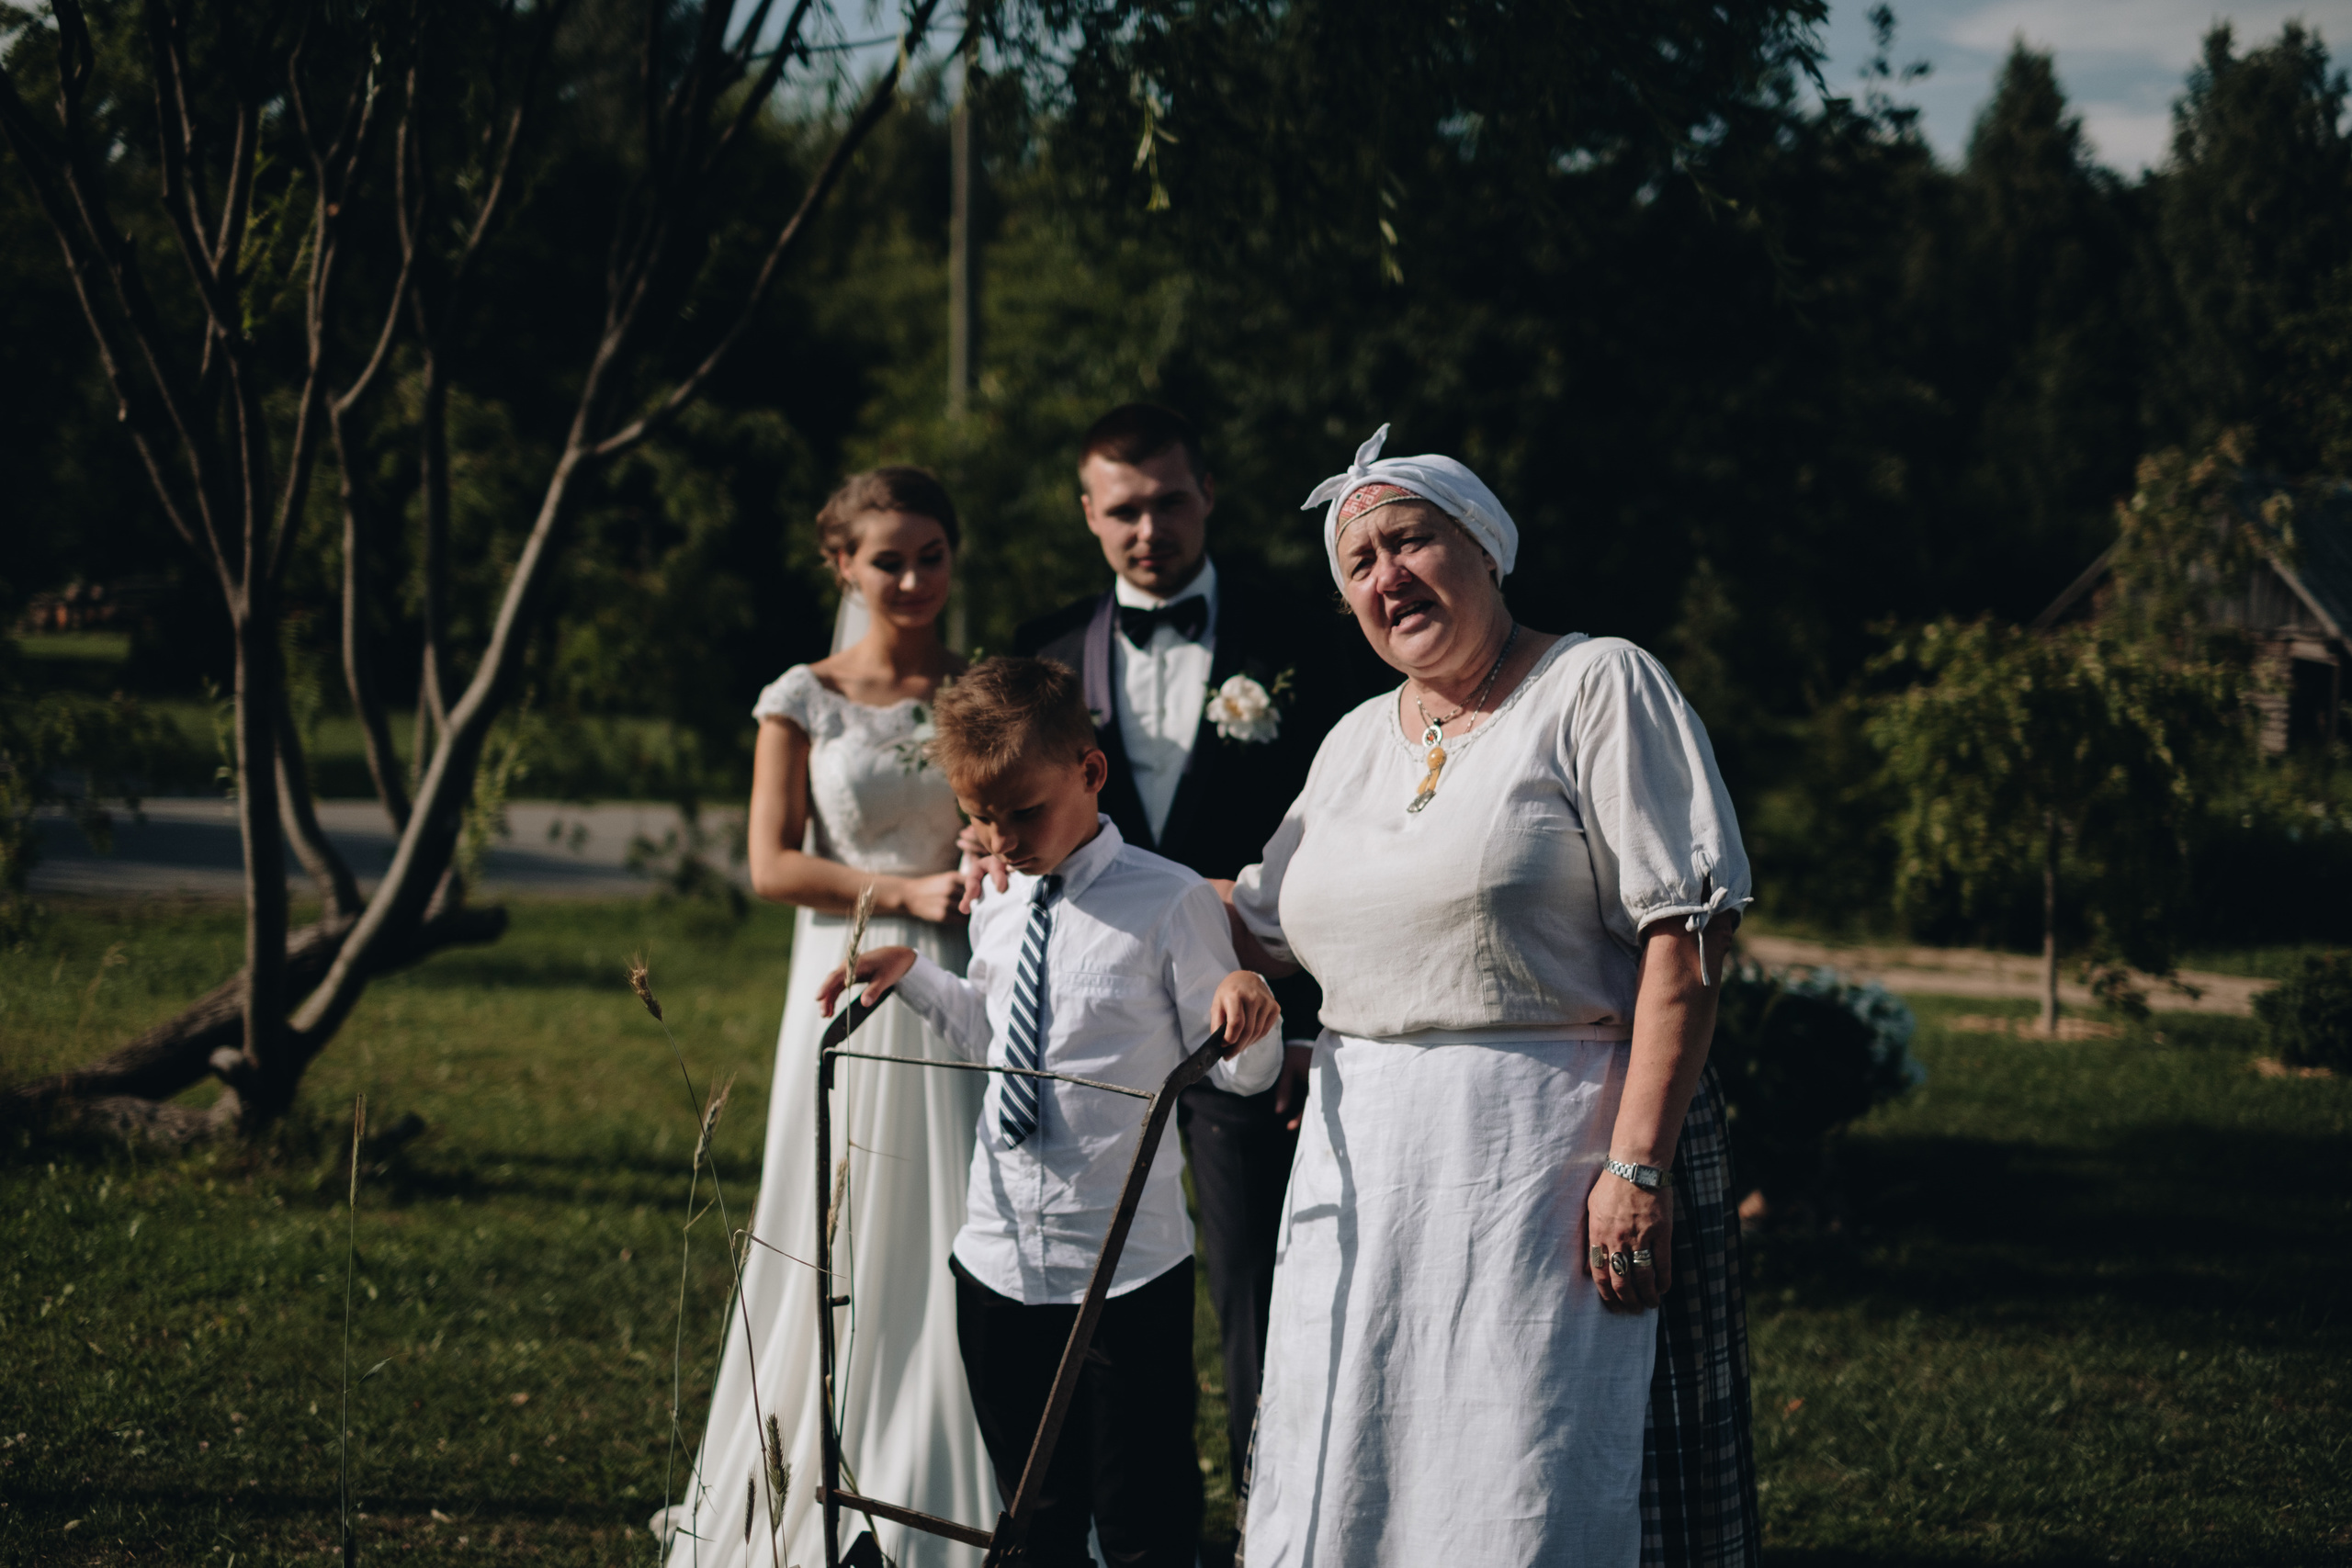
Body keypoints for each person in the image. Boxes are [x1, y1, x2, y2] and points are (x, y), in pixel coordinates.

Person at [1222, 427, 1758, 1567]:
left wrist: (1636, 1169)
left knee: (1538, 1473)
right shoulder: (1355, 741)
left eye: (1410, 540)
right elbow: (1257, 919)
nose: (1386, 576)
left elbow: (1689, 933)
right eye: (1358, 563)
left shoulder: (1593, 683)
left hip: (1554, 1165)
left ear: (1486, 549)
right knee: (1372, 1469)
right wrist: (1069, 859)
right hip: (1369, 1180)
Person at [826, 656, 1285, 1568]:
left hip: (1122, 1276)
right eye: (980, 816)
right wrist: (918, 978)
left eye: (1022, 812)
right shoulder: (996, 898)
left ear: (1089, 770)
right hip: (994, 1263)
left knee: (1141, 1518)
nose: (1001, 837)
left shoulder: (1170, 901)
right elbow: (993, 1038)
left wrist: (1250, 1007)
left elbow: (1238, 1077)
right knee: (1032, 1518)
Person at [1009, 404, 1367, 1484]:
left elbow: (1357, 832)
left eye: (1169, 501)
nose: (1148, 528)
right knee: (1086, 1277)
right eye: (1122, 509)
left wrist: (1314, 1008)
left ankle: (1274, 1506)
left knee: (1256, 1278)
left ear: (1207, 493)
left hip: (1245, 1015)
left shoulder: (1303, 639)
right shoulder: (1042, 652)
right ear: (1087, 514)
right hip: (1088, 1027)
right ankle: (1115, 1513)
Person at [655, 468, 994, 1568]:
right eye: (886, 557)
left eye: (930, 554)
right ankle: (805, 1474)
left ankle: (948, 1478)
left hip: (958, 976)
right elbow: (770, 863)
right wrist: (901, 893)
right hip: (846, 968)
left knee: (954, 1223)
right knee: (832, 1218)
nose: (911, 577)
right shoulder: (798, 695)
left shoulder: (981, 688)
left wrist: (983, 865)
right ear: (841, 564)